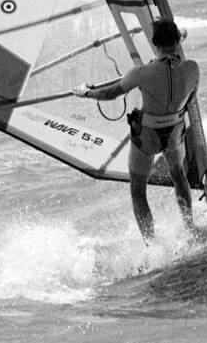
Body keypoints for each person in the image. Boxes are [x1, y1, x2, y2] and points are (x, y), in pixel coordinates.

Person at [73, 19, 199, 242]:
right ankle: (190, 229)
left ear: (154, 42)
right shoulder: (192, 69)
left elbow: (110, 93)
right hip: (173, 133)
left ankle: (151, 244)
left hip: (147, 135)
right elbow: (191, 99)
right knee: (179, 176)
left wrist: (86, 93)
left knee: (138, 191)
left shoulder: (141, 73)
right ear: (177, 41)